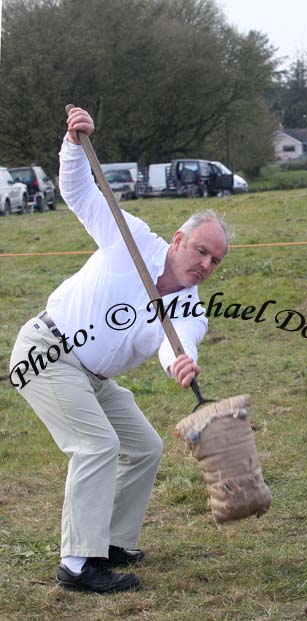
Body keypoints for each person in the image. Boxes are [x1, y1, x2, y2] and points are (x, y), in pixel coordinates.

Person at [9, 107, 231, 594]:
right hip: (46, 352)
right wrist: (73, 143)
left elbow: (177, 342)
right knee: (96, 445)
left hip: (93, 376)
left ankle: (110, 542)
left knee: (144, 446)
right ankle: (75, 564)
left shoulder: (190, 307)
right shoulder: (130, 236)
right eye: (201, 251)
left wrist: (181, 361)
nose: (206, 264)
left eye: (215, 260)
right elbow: (78, 192)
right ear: (179, 240)